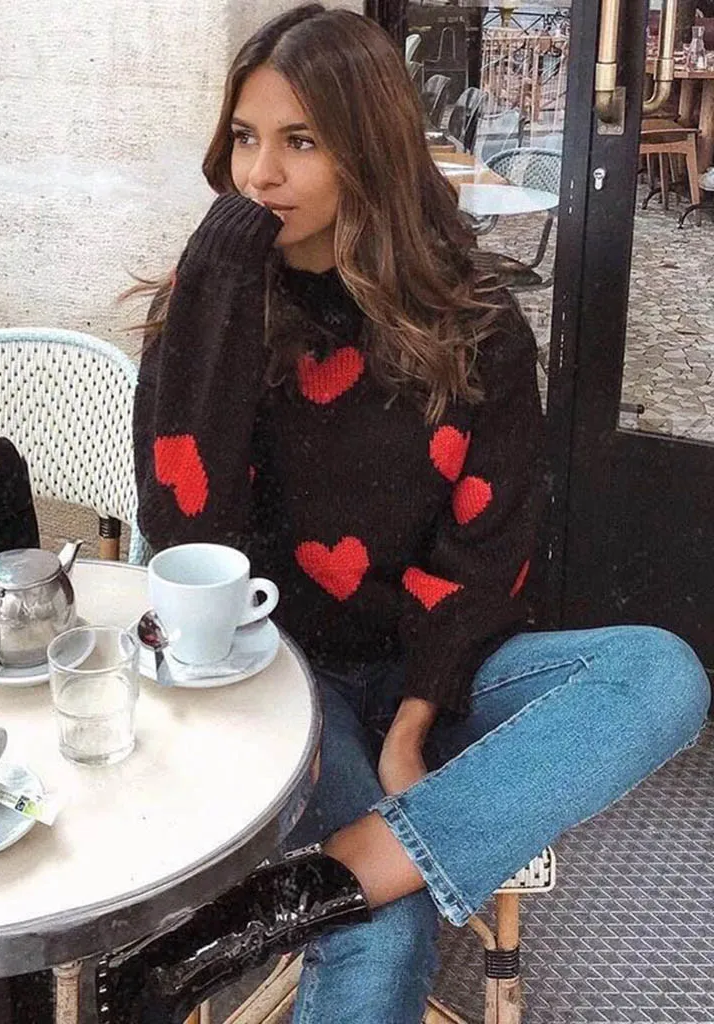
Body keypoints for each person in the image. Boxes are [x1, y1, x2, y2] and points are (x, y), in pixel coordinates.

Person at [117, 6, 712, 1023]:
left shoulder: (475, 321)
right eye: (246, 138)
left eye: (301, 141)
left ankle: (333, 875)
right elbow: (189, 536)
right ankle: (361, 883)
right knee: (383, 932)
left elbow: (489, 547)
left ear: (369, 149)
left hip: (435, 656)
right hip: (281, 673)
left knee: (662, 672)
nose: (261, 174)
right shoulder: (216, 307)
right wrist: (213, 297)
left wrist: (415, 723)